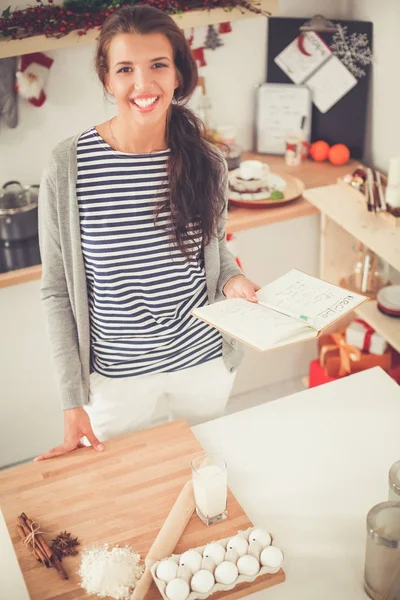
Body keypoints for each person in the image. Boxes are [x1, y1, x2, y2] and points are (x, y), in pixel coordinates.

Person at [35, 5, 259, 461]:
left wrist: (232, 281)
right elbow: (57, 291)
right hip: (116, 380)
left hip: (204, 362)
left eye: (158, 64)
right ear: (107, 80)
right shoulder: (68, 167)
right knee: (124, 488)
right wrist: (71, 398)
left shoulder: (208, 161)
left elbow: (215, 253)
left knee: (206, 475)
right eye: (125, 69)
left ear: (178, 73)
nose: (143, 84)